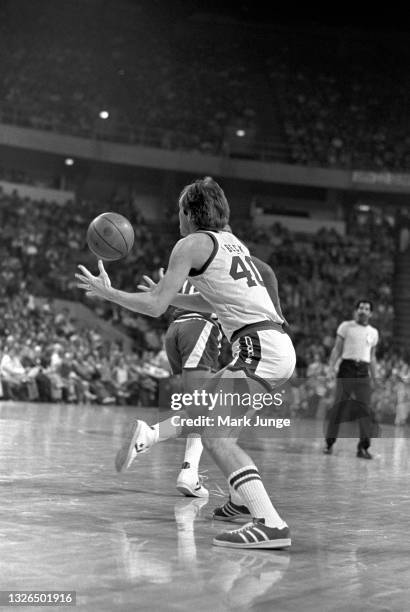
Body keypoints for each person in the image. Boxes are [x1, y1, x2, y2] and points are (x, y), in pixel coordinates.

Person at [76, 176, 296, 549]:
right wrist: (175, 296)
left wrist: (109, 292)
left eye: (179, 210)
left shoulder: (190, 244)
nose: (177, 218)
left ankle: (270, 523)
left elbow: (154, 307)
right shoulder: (232, 244)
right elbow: (217, 303)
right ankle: (236, 500)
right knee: (204, 412)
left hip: (258, 348)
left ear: (189, 213)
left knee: (215, 435)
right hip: (273, 344)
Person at [323, 300, 379, 459]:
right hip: (346, 369)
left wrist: (376, 378)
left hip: (363, 371)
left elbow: (373, 357)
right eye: (361, 308)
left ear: (371, 313)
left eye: (367, 309)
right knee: (339, 408)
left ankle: (363, 448)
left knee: (365, 410)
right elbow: (337, 349)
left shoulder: (374, 332)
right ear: (356, 310)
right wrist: (330, 369)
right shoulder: (346, 327)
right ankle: (329, 443)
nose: (363, 311)